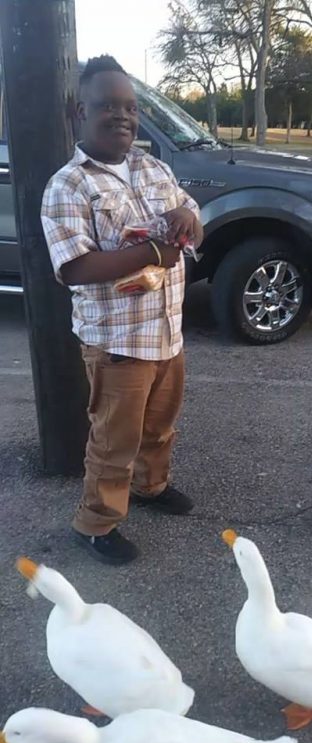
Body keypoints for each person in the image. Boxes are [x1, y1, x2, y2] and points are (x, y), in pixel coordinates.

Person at [41, 56, 203, 565]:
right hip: (117, 343)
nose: (122, 117)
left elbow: (190, 214)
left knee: (158, 427)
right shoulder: (68, 185)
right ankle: (96, 523)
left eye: (130, 107)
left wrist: (184, 213)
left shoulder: (153, 167)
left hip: (167, 335)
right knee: (114, 440)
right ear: (79, 110)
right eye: (108, 106)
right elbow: (75, 267)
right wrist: (154, 252)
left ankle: (151, 487)